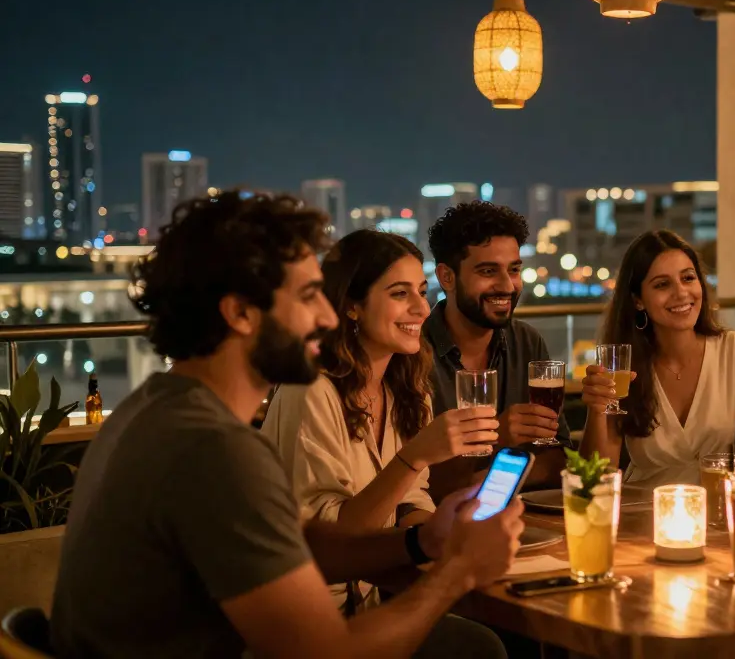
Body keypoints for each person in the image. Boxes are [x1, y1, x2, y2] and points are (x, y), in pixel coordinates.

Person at [52, 193, 524, 659]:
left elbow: (303, 541)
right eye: (306, 296)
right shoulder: (213, 449)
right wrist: (456, 573)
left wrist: (424, 539)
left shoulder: (157, 407)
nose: (325, 315)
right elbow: (325, 652)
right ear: (239, 312)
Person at [261, 229, 501, 614]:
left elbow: (409, 501)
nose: (422, 309)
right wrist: (416, 457)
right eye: (399, 293)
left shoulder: (407, 390)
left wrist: (442, 531)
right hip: (310, 615)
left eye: (422, 292)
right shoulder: (309, 392)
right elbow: (334, 543)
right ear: (352, 305)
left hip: (375, 598)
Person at [578, 230, 735, 485]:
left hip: (718, 514)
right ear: (638, 301)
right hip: (641, 514)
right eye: (662, 284)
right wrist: (597, 410)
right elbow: (595, 478)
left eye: (688, 278)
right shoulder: (622, 366)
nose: (681, 293)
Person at [424, 201, 571, 500]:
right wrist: (498, 439)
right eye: (488, 271)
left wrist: (478, 475)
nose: (507, 285)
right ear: (447, 277)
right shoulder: (413, 353)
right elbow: (416, 484)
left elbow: (559, 461)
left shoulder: (527, 342)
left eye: (514, 269)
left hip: (524, 520)